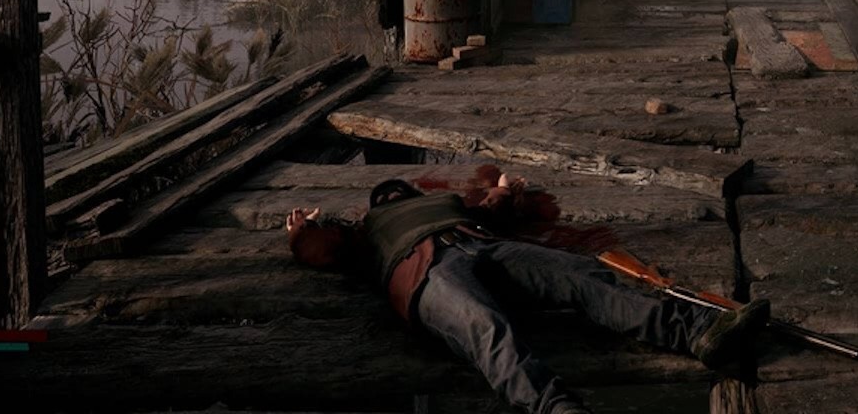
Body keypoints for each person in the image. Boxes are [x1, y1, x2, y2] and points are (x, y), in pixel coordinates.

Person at [287, 168, 769, 414]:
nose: (391, 198)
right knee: (486, 328)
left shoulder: (445, 202)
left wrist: (504, 190)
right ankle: (557, 410)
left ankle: (698, 332)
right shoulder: (366, 230)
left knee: (582, 275)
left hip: (484, 245)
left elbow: (491, 209)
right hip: (424, 271)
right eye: (385, 197)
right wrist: (301, 231)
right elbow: (323, 250)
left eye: (396, 192)